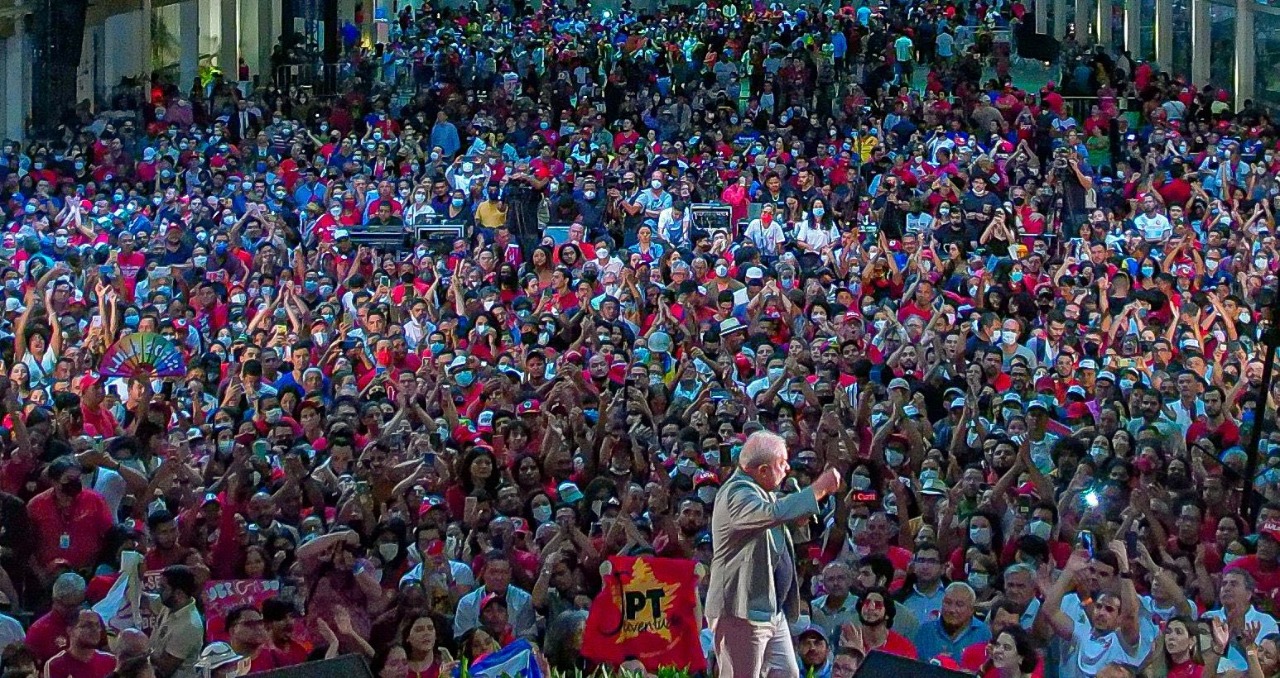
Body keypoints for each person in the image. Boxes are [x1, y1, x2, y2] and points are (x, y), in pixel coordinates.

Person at [706, 431, 841, 678]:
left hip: (769, 609)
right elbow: (771, 512)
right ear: (764, 470)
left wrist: (795, 517)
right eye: (782, 463)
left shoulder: (761, 492)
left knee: (785, 673)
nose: (788, 468)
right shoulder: (736, 494)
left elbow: (773, 518)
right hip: (740, 610)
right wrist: (818, 489)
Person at [42, 610, 115, 678]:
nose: (95, 630)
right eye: (87, 626)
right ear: (70, 630)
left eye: (97, 625)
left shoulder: (110, 661)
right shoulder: (56, 664)